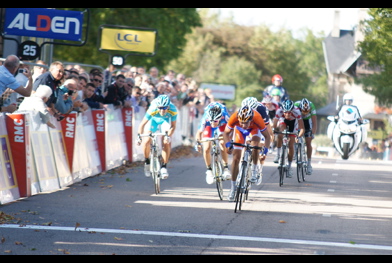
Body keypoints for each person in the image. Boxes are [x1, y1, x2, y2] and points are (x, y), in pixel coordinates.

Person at [223, 105, 270, 202]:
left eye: (246, 122)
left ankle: (254, 170)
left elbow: (267, 137)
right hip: (239, 132)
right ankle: (233, 188)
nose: (244, 124)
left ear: (251, 119)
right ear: (238, 119)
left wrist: (265, 150)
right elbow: (226, 133)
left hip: (254, 130)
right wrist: (228, 145)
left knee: (255, 145)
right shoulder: (234, 117)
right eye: (242, 122)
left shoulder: (257, 118)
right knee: (236, 158)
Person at [137, 95, 178, 180]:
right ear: (157, 106)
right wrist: (139, 137)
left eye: (164, 108)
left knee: (166, 141)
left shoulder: (173, 109)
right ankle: (147, 162)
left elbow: (173, 126)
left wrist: (168, 136)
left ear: (168, 106)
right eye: (160, 108)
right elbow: (142, 124)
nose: (162, 110)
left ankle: (164, 167)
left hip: (164, 121)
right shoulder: (153, 109)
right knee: (146, 140)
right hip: (153, 120)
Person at [195, 102, 231, 184]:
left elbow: (233, 128)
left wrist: (230, 140)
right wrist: (198, 143)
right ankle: (209, 170)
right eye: (211, 121)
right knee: (207, 147)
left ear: (219, 118)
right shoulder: (206, 119)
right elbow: (199, 133)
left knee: (222, 143)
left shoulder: (225, 116)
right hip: (208, 128)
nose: (213, 124)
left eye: (215, 121)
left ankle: (226, 168)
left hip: (222, 125)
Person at [241, 97, 271, 184]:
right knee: (243, 146)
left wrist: (265, 149)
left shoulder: (261, 111)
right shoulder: (242, 111)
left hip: (258, 126)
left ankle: (256, 170)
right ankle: (241, 167)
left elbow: (267, 130)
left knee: (256, 146)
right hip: (247, 126)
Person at [272, 100, 305, 178]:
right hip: (283, 122)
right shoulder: (279, 111)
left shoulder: (297, 111)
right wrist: (274, 131)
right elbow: (274, 125)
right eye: (285, 112)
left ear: (292, 111)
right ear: (282, 110)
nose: (287, 114)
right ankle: (278, 154)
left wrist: (298, 136)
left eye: (289, 112)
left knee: (291, 145)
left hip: (294, 123)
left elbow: (302, 128)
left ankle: (289, 166)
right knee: (280, 133)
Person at [294, 98, 317, 174]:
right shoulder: (296, 106)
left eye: (307, 112)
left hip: (308, 122)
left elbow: (314, 123)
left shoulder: (312, 106)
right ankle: (295, 151)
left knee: (308, 142)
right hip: (297, 120)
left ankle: (309, 164)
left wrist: (312, 133)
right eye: (303, 111)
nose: (305, 113)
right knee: (294, 136)